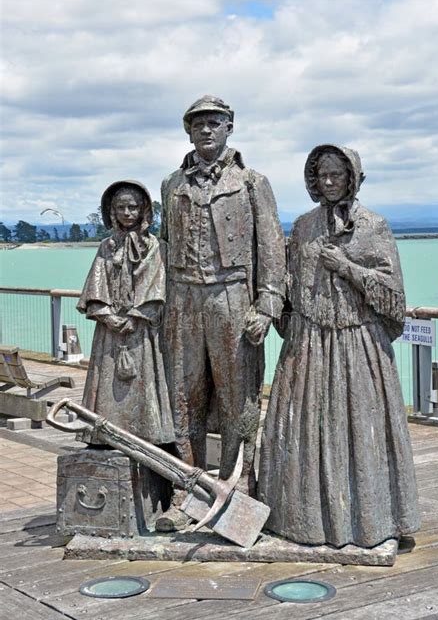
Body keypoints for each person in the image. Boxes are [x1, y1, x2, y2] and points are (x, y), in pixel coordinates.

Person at [258, 144, 420, 548]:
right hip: (309, 343)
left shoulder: (374, 226)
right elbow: (289, 282)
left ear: (353, 177)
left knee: (360, 428)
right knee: (305, 427)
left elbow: (392, 295)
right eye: (323, 175)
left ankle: (367, 521)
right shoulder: (303, 225)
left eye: (337, 175)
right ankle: (302, 518)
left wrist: (347, 268)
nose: (330, 182)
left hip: (358, 344)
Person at [157, 95, 286, 531]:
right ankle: (186, 486)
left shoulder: (252, 182)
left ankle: (239, 483)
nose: (206, 130)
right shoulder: (172, 184)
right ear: (187, 130)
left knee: (239, 396)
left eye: (215, 123)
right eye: (198, 124)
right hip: (183, 298)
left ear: (230, 127)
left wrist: (267, 303)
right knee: (183, 395)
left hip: (232, 297)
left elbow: (272, 247)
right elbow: (164, 245)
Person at [77, 180, 174, 449]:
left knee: (144, 383)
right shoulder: (107, 246)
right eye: (121, 207)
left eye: (133, 207)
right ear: (112, 210)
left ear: (144, 209)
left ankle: (146, 434)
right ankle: (103, 433)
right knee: (107, 381)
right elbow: (96, 288)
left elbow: (155, 284)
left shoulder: (154, 246)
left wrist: (135, 316)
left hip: (141, 329)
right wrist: (108, 316)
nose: (128, 213)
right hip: (110, 330)